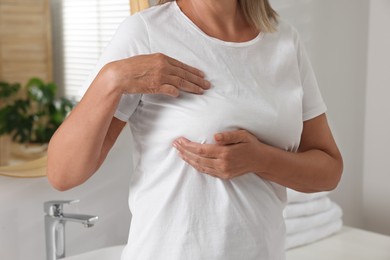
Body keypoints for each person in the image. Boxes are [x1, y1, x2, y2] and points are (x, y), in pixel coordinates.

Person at [47, 0, 343, 259]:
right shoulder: (146, 33)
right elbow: (63, 173)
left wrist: (261, 160)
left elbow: (329, 169)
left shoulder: (283, 40)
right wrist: (112, 78)